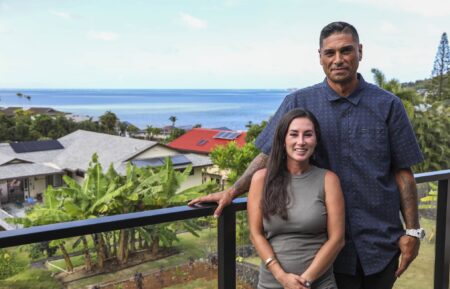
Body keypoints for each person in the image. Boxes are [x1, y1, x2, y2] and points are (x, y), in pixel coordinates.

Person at [189, 21, 424, 289]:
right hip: (325, 253)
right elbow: (269, 154)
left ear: (360, 51)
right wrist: (232, 192)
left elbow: (403, 171)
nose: (338, 60)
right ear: (320, 57)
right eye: (330, 53)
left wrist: (413, 231)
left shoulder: (388, 105)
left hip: (381, 245)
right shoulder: (299, 103)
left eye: (346, 51)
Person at [248, 108, 345, 289]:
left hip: (319, 283)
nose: (301, 142)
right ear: (283, 140)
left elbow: (337, 239)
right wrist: (282, 277)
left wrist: (305, 281)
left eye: (308, 135)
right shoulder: (261, 179)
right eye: (294, 134)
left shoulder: (328, 180)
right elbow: (256, 234)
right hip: (272, 283)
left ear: (316, 141)